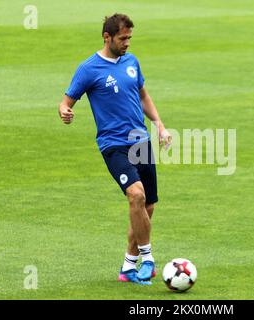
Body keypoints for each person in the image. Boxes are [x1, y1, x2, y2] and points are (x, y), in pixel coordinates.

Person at [58, 13, 171, 285]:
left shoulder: (132, 62)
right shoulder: (89, 69)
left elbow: (142, 94)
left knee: (147, 206)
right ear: (107, 37)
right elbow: (66, 102)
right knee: (136, 195)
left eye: (130, 38)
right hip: (114, 144)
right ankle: (149, 260)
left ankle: (128, 267)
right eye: (123, 38)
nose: (127, 43)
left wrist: (159, 124)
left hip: (140, 141)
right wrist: (65, 111)